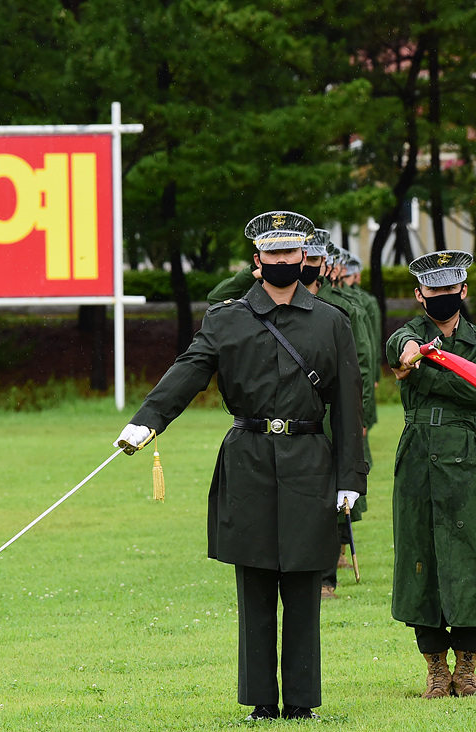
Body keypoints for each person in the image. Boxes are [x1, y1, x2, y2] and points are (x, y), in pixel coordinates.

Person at [116, 211, 367, 721]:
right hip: (249, 460)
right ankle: (260, 703)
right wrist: (148, 421)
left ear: (304, 258)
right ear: (257, 262)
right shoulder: (226, 319)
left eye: (289, 253)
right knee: (254, 585)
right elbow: (190, 370)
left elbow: (348, 408)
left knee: (302, 586)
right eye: (271, 254)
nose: (281, 261)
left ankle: (300, 703)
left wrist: (350, 479)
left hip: (307, 462)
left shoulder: (331, 323)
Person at [387, 250, 476, 698]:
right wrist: (405, 354)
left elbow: (472, 390)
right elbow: (396, 346)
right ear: (419, 295)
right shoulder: (408, 333)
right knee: (420, 555)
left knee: (471, 556)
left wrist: (416, 373)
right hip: (417, 455)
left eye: (450, 289)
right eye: (433, 290)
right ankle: (436, 670)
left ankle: (467, 668)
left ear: (463, 291)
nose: (442, 297)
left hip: (464, 455)